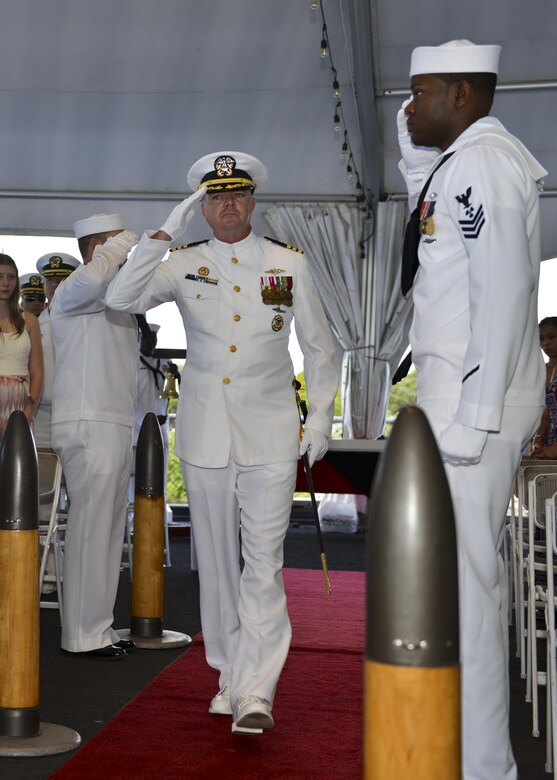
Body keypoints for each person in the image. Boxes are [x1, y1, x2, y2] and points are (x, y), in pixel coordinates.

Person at [106, 151, 339, 733]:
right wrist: (162, 235)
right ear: (202, 208)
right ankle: (229, 676)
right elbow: (119, 299)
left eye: (237, 194)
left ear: (253, 202)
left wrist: (320, 422)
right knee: (215, 565)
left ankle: (257, 691)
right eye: (215, 197)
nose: (227, 204)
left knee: (264, 563)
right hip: (208, 434)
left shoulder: (288, 263)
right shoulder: (181, 263)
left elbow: (320, 346)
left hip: (272, 433)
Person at [398, 40, 547, 779]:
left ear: (459, 93)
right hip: (456, 397)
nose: (408, 104)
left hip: (470, 403)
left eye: (419, 93)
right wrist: (412, 154)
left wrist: (475, 412)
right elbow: (440, 246)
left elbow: (504, 286)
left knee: (465, 588)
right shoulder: (464, 163)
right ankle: (462, 752)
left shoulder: (485, 164)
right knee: (451, 585)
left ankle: (484, 767)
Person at [50, 214, 139, 660]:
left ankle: (97, 629)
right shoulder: (73, 291)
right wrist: (121, 243)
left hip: (111, 422)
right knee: (90, 528)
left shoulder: (117, 296)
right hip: (89, 423)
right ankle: (83, 634)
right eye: (114, 245)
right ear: (97, 248)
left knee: (106, 529)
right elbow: (94, 276)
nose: (125, 253)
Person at [34, 252, 81, 449]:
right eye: (51, 280)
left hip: (77, 416)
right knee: (41, 478)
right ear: (44, 285)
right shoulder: (33, 327)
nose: (56, 285)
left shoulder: (85, 323)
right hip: (41, 418)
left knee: (74, 479)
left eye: (63, 280)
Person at [0, 256, 44, 440]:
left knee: (17, 466)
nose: (5, 283)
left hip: (21, 406)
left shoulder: (30, 320)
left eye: (11, 277)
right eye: (0, 276)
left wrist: (29, 410)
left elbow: (38, 371)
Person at [532, 317, 557, 459]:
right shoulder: (540, 372)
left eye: (551, 337)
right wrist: (538, 438)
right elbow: (545, 411)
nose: (545, 343)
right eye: (541, 339)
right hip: (548, 448)